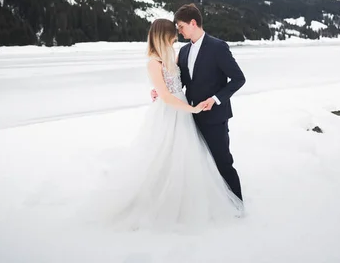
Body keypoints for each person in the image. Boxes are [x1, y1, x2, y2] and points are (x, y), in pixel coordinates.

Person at [90, 18, 243, 230]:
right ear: (163, 35)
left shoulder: (174, 54)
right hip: (171, 112)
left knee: (189, 157)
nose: (177, 36)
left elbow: (181, 82)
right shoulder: (153, 62)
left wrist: (175, 96)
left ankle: (197, 199)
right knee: (165, 157)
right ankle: (164, 203)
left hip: (183, 112)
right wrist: (189, 107)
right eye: (173, 33)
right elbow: (166, 95)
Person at [153, 3, 246, 201]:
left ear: (193, 23)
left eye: (181, 26)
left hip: (215, 117)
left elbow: (239, 79)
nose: (178, 31)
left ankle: (237, 203)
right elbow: (180, 81)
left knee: (222, 161)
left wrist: (215, 99)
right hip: (188, 117)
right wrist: (159, 90)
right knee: (197, 163)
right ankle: (208, 201)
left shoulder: (218, 47)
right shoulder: (184, 51)